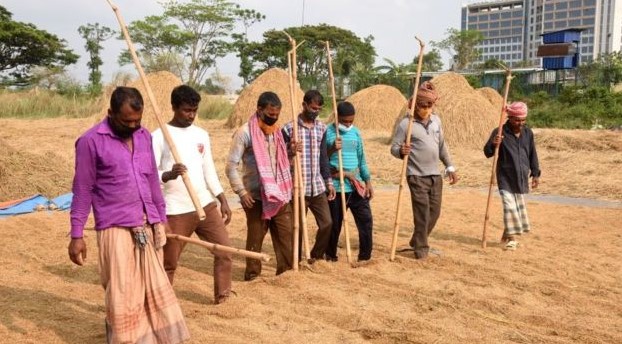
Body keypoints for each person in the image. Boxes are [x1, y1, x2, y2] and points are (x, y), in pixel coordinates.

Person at [67, 87, 190, 343]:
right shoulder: (90, 141)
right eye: (126, 122)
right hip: (115, 228)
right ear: (110, 114)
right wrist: (77, 234)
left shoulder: (145, 136)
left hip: (147, 226)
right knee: (123, 293)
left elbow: (152, 182)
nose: (133, 126)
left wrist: (161, 218)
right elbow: (82, 190)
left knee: (152, 290)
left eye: (137, 120)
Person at [152, 85, 233, 304]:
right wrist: (168, 174)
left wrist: (222, 198)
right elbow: (149, 173)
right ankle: (162, 303)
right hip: (175, 209)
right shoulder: (159, 136)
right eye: (186, 110)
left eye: (194, 110)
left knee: (224, 251)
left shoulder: (201, 135)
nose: (191, 115)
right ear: (174, 107)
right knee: (169, 262)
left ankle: (223, 296)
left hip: (205, 204)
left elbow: (208, 170)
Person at [225, 91, 294, 281]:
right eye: (270, 115)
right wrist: (241, 192)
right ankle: (253, 275)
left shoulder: (278, 133)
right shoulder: (244, 133)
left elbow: (281, 162)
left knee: (285, 236)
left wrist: (291, 153)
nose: (273, 118)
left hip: (279, 194)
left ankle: (285, 274)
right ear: (259, 110)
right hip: (255, 196)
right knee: (255, 238)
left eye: (277, 115)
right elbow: (231, 166)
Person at [390, 81, 459, 260]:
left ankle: (416, 239)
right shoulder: (406, 124)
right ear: (415, 105)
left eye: (429, 105)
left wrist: (450, 166)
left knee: (434, 213)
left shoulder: (436, 121)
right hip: (416, 175)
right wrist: (400, 151)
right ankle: (421, 249)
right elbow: (394, 147)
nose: (426, 108)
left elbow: (442, 146)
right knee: (422, 213)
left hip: (435, 175)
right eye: (423, 105)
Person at [282, 90, 335, 263]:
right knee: (297, 228)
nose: (315, 112)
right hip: (297, 186)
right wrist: (290, 151)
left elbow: (323, 158)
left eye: (319, 109)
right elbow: (279, 158)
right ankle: (295, 262)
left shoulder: (321, 128)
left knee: (327, 223)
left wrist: (329, 182)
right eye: (313, 108)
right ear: (304, 105)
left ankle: (316, 256)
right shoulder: (289, 128)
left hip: (317, 186)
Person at [483, 101, 540, 250]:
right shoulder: (500, 131)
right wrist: (494, 144)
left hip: (520, 175)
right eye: (517, 120)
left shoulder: (528, 133)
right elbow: (487, 152)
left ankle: (505, 235)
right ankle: (512, 239)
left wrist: (535, 173)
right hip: (505, 176)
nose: (520, 123)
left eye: (523, 120)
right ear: (510, 117)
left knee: (517, 207)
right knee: (509, 206)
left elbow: (533, 153)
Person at [325, 101, 374, 262]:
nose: (348, 124)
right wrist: (332, 148)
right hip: (337, 187)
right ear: (337, 118)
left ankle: (365, 256)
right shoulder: (328, 133)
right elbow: (322, 159)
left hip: (356, 186)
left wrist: (368, 181)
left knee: (366, 221)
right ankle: (330, 256)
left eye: (351, 121)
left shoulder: (356, 134)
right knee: (334, 224)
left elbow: (362, 160)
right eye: (345, 121)